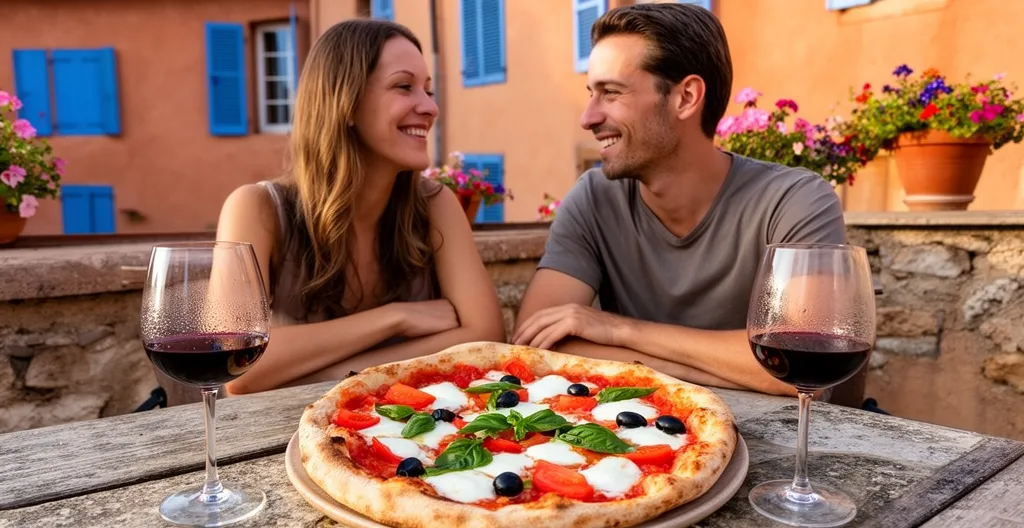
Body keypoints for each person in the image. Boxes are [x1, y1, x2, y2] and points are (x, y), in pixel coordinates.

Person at [512, 3, 846, 397]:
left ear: (685, 97)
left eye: (611, 93)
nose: (588, 117)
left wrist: (620, 330)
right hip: (644, 429)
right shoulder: (593, 199)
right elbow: (534, 345)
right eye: (591, 94)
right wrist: (700, 368)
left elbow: (802, 367)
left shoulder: (794, 200)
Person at [216, 19, 505, 395]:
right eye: (404, 86)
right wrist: (395, 318)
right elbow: (235, 365)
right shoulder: (257, 209)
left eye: (428, 90)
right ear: (346, 103)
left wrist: (335, 373)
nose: (430, 107)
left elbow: (486, 339)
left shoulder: (435, 204)